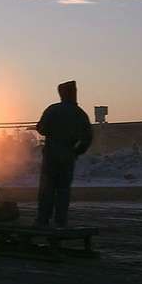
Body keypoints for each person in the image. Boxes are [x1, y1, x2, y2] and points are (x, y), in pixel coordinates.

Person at [34, 80, 93, 228]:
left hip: (52, 153)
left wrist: (40, 127)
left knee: (48, 188)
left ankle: (42, 220)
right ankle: (61, 221)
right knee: (63, 190)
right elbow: (88, 136)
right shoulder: (80, 114)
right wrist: (77, 151)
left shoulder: (53, 110)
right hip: (68, 154)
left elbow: (42, 129)